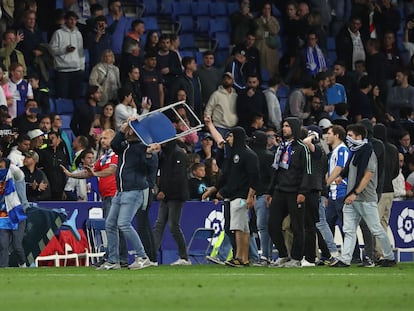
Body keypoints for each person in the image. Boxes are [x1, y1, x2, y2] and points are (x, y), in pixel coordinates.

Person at [330, 123, 396, 267]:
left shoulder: (369, 153)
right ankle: (346, 259)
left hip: (365, 198)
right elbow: (351, 170)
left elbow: (367, 176)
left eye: (350, 135)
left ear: (359, 137)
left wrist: (355, 193)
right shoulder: (355, 152)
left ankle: (389, 257)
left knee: (376, 229)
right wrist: (342, 176)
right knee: (349, 229)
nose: (348, 138)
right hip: (352, 198)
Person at [97, 117, 158, 270]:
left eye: (131, 128)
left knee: (123, 224)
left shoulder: (143, 147)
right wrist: (122, 129)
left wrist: (150, 155)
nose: (128, 130)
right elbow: (114, 144)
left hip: (135, 191)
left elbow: (149, 169)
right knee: (110, 224)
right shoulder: (125, 146)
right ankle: (113, 261)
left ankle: (143, 257)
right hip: (121, 192)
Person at [203, 121, 259, 267]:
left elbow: (254, 178)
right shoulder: (233, 155)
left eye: (231, 136)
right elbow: (225, 174)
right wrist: (214, 189)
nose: (228, 139)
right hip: (235, 196)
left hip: (241, 197)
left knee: (238, 228)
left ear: (238, 137)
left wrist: (250, 196)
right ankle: (243, 257)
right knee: (242, 229)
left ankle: (240, 257)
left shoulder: (248, 155)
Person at [266, 117, 312, 267]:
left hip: (295, 191)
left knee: (297, 227)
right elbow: (276, 171)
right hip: (280, 190)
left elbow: (307, 171)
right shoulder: (281, 148)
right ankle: (283, 254)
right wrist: (270, 191)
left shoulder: (302, 148)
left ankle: (296, 258)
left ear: (294, 128)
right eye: (283, 126)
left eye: (287, 126)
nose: (284, 128)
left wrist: (303, 192)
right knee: (272, 225)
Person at [153, 138, 192, 266]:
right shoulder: (165, 153)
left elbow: (177, 177)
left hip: (176, 195)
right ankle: (152, 255)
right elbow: (160, 170)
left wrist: (164, 191)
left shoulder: (178, 153)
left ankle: (184, 257)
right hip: (166, 195)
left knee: (173, 226)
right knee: (159, 224)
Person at [248, 130, 274, 266]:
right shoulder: (269, 156)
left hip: (262, 195)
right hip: (262, 194)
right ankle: (267, 256)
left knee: (263, 227)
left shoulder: (256, 156)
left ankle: (265, 256)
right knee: (264, 227)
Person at [0, 156, 29, 268]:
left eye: (1, 167)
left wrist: (10, 164)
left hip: (17, 214)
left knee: (17, 245)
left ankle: (23, 264)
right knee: (3, 245)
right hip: (2, 216)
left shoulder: (15, 177)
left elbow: (19, 173)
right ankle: (3, 268)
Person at [49, 11, 85, 100]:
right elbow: (51, 50)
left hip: (76, 71)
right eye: (71, 19)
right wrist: (64, 50)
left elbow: (81, 52)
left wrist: (82, 67)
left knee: (75, 98)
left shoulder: (78, 34)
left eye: (75, 20)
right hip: (62, 71)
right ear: (66, 20)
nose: (73, 22)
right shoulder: (58, 33)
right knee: (62, 97)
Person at [325, 125, 350, 236]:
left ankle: (353, 253)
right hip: (332, 194)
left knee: (346, 227)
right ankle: (330, 252)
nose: (326, 136)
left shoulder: (342, 150)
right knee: (328, 224)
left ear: (337, 135)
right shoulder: (333, 152)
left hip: (341, 192)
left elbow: (339, 168)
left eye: (329, 133)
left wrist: (326, 184)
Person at [204, 72, 238, 138]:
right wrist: (208, 124)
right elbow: (208, 110)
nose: (226, 80)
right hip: (219, 127)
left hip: (233, 128)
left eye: (229, 79)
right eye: (225, 79)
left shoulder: (235, 95)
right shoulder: (216, 94)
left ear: (233, 81)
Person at [255, 2, 280, 78]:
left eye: (269, 8)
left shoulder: (273, 20)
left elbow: (275, 31)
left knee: (273, 67)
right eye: (265, 8)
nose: (267, 10)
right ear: (262, 10)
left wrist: (268, 21)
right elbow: (258, 34)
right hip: (261, 47)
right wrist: (268, 33)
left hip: (272, 47)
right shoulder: (257, 21)